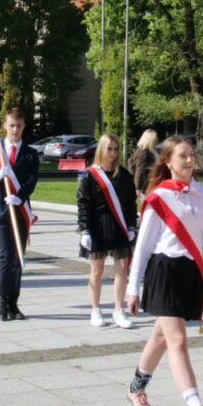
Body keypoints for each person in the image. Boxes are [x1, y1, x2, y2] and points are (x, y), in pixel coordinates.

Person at [124, 136, 203, 406]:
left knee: (160, 337)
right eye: (182, 156)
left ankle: (135, 388)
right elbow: (143, 247)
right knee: (177, 340)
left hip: (189, 273)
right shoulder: (160, 197)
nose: (189, 160)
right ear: (168, 161)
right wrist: (133, 289)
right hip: (165, 271)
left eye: (192, 154)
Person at [0, 108, 39, 321]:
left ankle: (14, 303)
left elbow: (32, 180)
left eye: (19, 126)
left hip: (20, 209)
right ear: (4, 126)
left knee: (18, 257)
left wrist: (20, 196)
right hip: (0, 209)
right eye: (11, 125)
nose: (15, 130)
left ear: (24, 126)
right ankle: (2, 301)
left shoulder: (31, 153)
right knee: (6, 256)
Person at [77, 133, 137, 329]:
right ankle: (95, 309)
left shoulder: (124, 175)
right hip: (98, 226)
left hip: (119, 226)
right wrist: (85, 230)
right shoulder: (90, 176)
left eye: (116, 149)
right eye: (109, 148)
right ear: (101, 150)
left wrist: (130, 226)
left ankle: (118, 310)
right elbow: (83, 204)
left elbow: (130, 204)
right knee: (97, 270)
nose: (112, 153)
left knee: (122, 269)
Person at [128, 129, 159, 196]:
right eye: (154, 139)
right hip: (144, 187)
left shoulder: (148, 151)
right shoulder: (144, 153)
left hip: (148, 185)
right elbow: (139, 171)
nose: (156, 141)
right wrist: (138, 188)